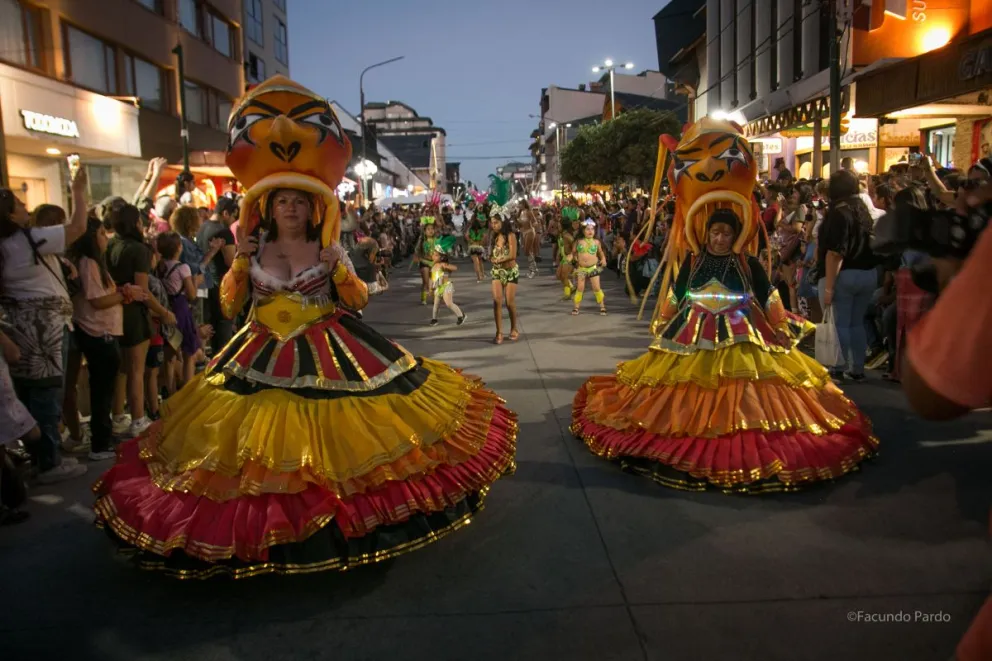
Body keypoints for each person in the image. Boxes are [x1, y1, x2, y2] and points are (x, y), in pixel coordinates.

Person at [92, 75, 517, 578]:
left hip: (329, 343)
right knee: (255, 455)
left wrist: (340, 267)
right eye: (280, 202)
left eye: (297, 201)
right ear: (266, 207)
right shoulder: (250, 250)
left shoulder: (328, 247)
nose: (289, 208)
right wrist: (236, 265)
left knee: (344, 443)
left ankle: (336, 526)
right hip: (260, 349)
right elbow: (230, 306)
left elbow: (357, 300)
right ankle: (266, 531)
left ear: (312, 207)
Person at [574, 118, 876, 492]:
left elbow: (768, 294)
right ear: (706, 233)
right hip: (693, 331)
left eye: (726, 233)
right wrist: (664, 320)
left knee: (745, 391)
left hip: (743, 331)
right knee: (687, 390)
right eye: (715, 232)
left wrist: (779, 326)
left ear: (736, 234)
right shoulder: (694, 260)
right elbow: (677, 293)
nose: (719, 238)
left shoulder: (746, 262)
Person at [0, 169, 88, 483]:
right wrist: (78, 190)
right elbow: (78, 227)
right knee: (48, 391)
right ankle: (49, 462)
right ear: (9, 213)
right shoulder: (26, 240)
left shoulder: (5, 246)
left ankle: (38, 456)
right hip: (46, 327)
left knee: (28, 390)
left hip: (17, 325)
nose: (27, 209)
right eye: (21, 205)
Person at [68, 218, 146, 461]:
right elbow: (97, 301)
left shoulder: (94, 263)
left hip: (104, 331)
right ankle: (99, 444)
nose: (107, 238)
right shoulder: (88, 264)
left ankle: (102, 437)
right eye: (102, 233)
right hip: (96, 332)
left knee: (106, 388)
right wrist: (124, 294)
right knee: (101, 391)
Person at [817, 170, 879, 381]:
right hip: (868, 274)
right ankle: (858, 368)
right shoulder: (862, 208)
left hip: (844, 274)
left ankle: (838, 367)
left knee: (840, 323)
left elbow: (835, 253)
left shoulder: (839, 212)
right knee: (856, 323)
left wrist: (828, 288)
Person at [197, 196, 238, 353]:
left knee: (211, 330)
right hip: (221, 286)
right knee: (223, 332)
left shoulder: (203, 226)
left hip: (206, 285)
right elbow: (230, 261)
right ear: (226, 213)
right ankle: (221, 369)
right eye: (234, 215)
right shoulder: (224, 232)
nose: (234, 220)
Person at [488, 206, 520, 345]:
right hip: (497, 272)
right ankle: (499, 332)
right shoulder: (494, 236)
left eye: (496, 222)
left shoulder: (510, 236)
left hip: (510, 272)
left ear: (503, 222)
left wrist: (498, 259)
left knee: (509, 302)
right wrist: (491, 257)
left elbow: (512, 255)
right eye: (492, 222)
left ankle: (514, 328)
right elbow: (490, 254)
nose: (493, 225)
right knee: (496, 301)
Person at [569, 219, 608, 315]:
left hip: (593, 268)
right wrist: (571, 257)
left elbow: (600, 252)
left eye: (592, 229)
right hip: (581, 268)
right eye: (587, 229)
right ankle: (576, 307)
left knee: (596, 287)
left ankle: (602, 306)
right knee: (580, 288)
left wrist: (603, 259)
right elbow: (573, 252)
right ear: (583, 231)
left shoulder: (596, 242)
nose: (590, 231)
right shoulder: (578, 241)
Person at [429, 236, 466, 327]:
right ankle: (434, 319)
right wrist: (430, 288)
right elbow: (432, 278)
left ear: (442, 257)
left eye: (436, 254)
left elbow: (455, 268)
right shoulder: (433, 266)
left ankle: (461, 315)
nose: (433, 255)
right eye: (433, 254)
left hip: (446, 286)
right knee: (436, 304)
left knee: (449, 303)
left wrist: (446, 266)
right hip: (438, 288)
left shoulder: (443, 264)